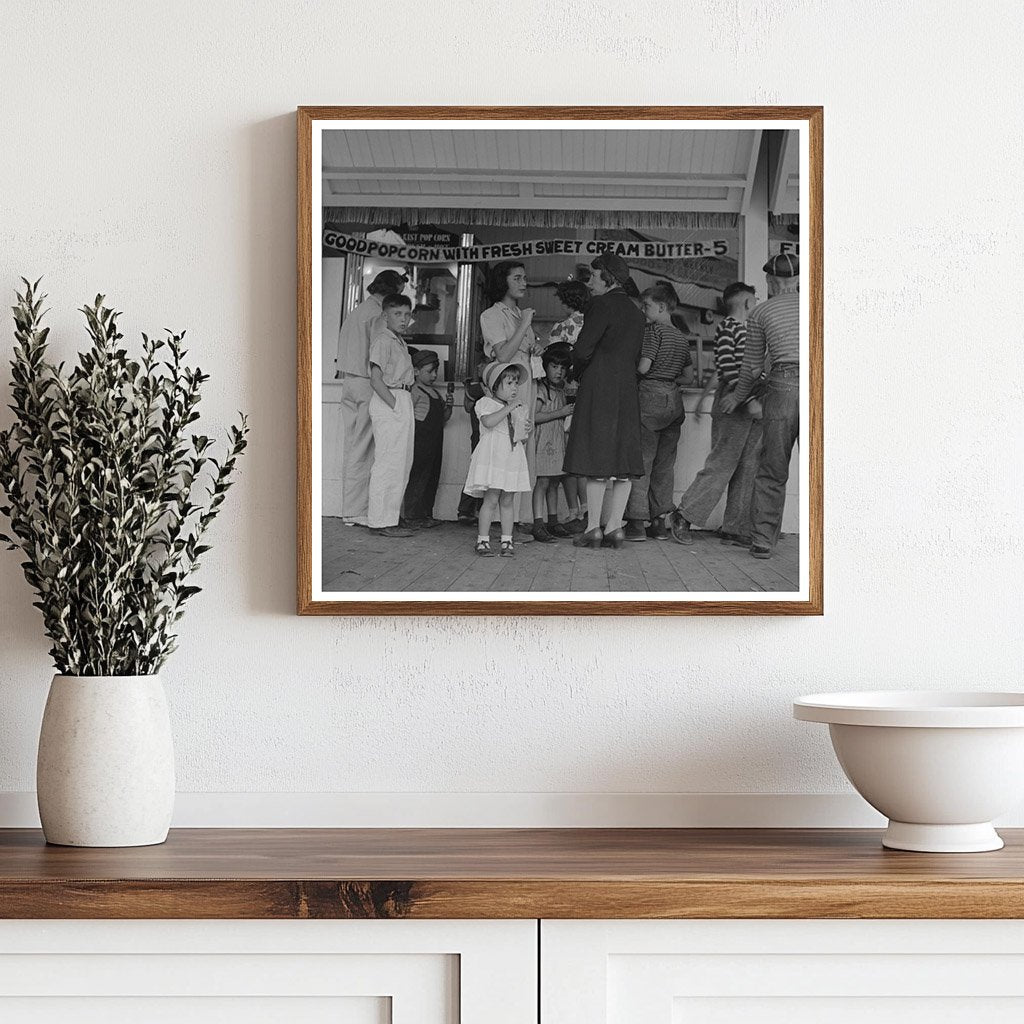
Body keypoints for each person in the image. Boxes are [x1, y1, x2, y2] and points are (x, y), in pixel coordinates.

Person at [563, 251, 646, 550]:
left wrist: (576, 372)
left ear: (607, 278)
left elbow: (583, 350)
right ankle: (615, 528)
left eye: (594, 277)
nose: (590, 283)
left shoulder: (600, 305)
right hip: (626, 387)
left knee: (596, 457)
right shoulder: (637, 312)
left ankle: (593, 528)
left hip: (599, 385)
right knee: (622, 459)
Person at [720, 254, 800, 559]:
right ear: (797, 281)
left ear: (769, 281)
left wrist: (738, 396)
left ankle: (764, 541)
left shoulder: (760, 313)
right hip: (819, 384)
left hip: (781, 387)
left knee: (772, 469)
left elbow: (751, 368)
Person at [672, 282, 763, 547]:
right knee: (721, 465)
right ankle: (683, 515)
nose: (756, 303)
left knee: (747, 467)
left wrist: (702, 398)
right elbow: (728, 369)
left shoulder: (748, 330)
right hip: (738, 403)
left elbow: (722, 369)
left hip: (747, 403)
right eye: (754, 299)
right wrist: (750, 399)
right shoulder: (729, 328)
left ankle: (735, 526)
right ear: (747, 303)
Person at [336, 268, 409, 526]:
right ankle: (357, 511)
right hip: (367, 382)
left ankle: (350, 508)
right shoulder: (378, 315)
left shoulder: (357, 311)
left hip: (348, 381)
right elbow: (380, 352)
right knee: (366, 450)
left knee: (353, 446)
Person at [624, 282, 694, 542]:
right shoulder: (681, 337)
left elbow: (643, 367)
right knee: (665, 465)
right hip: (674, 402)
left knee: (641, 462)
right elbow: (688, 376)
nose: (644, 310)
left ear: (662, 307)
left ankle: (636, 523)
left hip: (650, 397)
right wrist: (670, 378)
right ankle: (658, 522)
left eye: (647, 306)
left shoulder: (654, 332)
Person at [479, 261, 543, 543]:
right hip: (503, 395)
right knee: (503, 453)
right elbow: (503, 355)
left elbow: (522, 350)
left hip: (524, 393)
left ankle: (513, 522)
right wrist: (525, 325)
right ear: (502, 282)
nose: (523, 283)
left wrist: (535, 347)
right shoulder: (492, 315)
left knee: (520, 454)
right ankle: (496, 524)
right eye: (517, 278)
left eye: (525, 277)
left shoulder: (518, 314)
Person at [464, 362, 532, 558]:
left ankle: (506, 539)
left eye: (516, 383)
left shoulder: (518, 407)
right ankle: (483, 540)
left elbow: (519, 436)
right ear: (495, 385)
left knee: (508, 499)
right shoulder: (485, 403)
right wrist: (509, 408)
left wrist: (525, 430)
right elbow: (488, 422)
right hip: (494, 457)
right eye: (509, 383)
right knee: (491, 498)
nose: (514, 388)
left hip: (511, 456)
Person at [366, 294, 416, 539]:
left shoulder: (399, 341)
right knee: (388, 463)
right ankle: (380, 520)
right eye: (398, 314)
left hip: (401, 399)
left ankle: (392, 516)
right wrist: (395, 405)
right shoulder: (382, 340)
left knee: (402, 463)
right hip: (390, 400)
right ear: (385, 316)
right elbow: (376, 379)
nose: (404, 319)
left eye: (407, 314)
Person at [548, 278, 590, 533]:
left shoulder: (560, 328)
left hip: (564, 397)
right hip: (587, 396)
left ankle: (574, 509)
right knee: (582, 459)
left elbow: (551, 360)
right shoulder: (593, 325)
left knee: (565, 459)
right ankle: (586, 509)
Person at [402, 349, 453, 529]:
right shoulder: (414, 391)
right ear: (416, 371)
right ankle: (411, 516)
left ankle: (425, 513)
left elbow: (443, 418)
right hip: (419, 441)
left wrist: (448, 407)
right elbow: (407, 418)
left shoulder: (435, 393)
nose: (433, 375)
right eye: (429, 371)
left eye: (435, 371)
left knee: (431, 477)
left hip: (435, 441)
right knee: (417, 477)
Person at [530, 344, 574, 542]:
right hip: (544, 441)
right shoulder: (541, 389)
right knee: (543, 482)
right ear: (545, 366)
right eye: (555, 366)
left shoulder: (560, 390)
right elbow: (534, 417)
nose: (559, 371)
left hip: (556, 441)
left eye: (563, 368)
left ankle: (553, 521)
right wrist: (560, 413)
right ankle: (538, 523)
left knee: (555, 481)